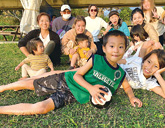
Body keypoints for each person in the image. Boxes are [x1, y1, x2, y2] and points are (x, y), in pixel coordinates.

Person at [0, 30, 142, 115]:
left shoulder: (120, 74)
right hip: (66, 80)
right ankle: (4, 87)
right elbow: (77, 75)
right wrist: (91, 88)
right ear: (104, 48)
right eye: (112, 46)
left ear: (125, 50)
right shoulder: (96, 59)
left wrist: (131, 97)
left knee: (41, 108)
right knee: (31, 84)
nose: (116, 50)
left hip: (72, 95)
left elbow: (127, 86)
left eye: (120, 47)